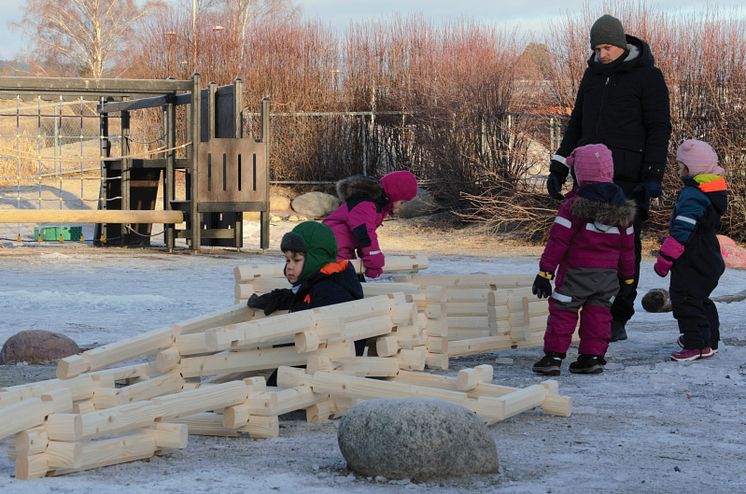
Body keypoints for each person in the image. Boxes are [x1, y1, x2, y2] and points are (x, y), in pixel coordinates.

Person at [545, 14, 672, 342]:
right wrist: (559, 166)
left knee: (624, 246)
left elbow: (659, 128)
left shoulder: (648, 77)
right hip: (588, 178)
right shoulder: (591, 76)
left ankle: (617, 316)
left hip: (629, 180)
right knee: (581, 242)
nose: (601, 53)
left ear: (621, 45)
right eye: (597, 48)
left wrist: (653, 176)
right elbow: (576, 125)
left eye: (607, 47)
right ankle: (581, 312)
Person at [532, 144, 636, 376]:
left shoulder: (572, 207)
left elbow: (558, 242)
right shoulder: (622, 210)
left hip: (575, 274)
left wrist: (545, 272)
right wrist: (628, 277)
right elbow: (627, 248)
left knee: (563, 311)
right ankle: (592, 357)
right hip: (608, 277)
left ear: (579, 174)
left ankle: (554, 356)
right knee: (599, 314)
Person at [247, 221, 366, 361]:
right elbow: (300, 297)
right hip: (310, 358)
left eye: (296, 260)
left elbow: (325, 333)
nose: (289, 267)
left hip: (330, 366)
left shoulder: (331, 291)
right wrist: (276, 298)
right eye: (287, 260)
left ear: (316, 260)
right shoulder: (317, 283)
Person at [654, 139, 727, 362]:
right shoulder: (713, 191)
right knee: (701, 298)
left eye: (680, 166)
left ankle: (695, 344)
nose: (677, 170)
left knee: (685, 299)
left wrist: (665, 257)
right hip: (708, 255)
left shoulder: (693, 194)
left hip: (692, 256)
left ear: (692, 168)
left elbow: (683, 229)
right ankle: (708, 340)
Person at [323, 170, 418, 279]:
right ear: (394, 194)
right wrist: (374, 262)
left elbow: (361, 237)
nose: (401, 206)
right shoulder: (365, 205)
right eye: (402, 202)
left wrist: (367, 259)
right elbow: (365, 235)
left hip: (342, 249)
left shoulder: (377, 206)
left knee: (355, 283)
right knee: (346, 285)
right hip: (331, 248)